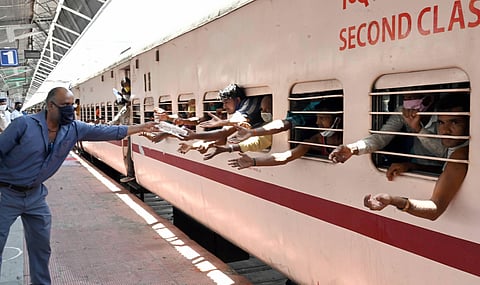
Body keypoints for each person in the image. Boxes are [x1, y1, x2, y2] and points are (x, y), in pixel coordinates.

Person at [0, 87, 157, 284]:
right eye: (65, 105)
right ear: (50, 106)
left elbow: (105, 131)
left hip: (35, 196)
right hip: (6, 193)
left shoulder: (73, 129)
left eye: (72, 105)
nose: (70, 109)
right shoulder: (23, 125)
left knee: (41, 247)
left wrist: (141, 127)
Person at [364, 94, 469, 220]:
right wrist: (413, 166)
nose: (445, 130)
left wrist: (394, 200)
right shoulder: (458, 149)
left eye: (454, 122)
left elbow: (435, 209)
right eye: (441, 122)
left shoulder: (460, 155)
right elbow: (448, 172)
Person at [329, 94, 446, 165]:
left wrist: (418, 129)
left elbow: (445, 153)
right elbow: (382, 137)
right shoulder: (402, 112)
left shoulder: (445, 116)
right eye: (405, 97)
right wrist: (353, 148)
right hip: (417, 164)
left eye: (413, 97)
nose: (408, 101)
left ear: (429, 99)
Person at [228, 98, 343, 169]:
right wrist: (254, 161)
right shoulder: (316, 140)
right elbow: (286, 157)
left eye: (323, 118)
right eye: (317, 117)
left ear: (337, 119)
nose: (317, 122)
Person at [201, 95, 273, 160]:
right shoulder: (256, 122)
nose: (224, 107)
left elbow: (258, 142)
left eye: (227, 102)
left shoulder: (244, 112)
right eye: (262, 110)